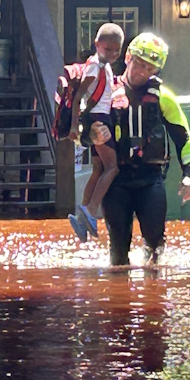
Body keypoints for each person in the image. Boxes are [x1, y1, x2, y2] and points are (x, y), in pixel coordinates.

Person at [85, 32, 190, 266]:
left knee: (155, 244)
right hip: (116, 180)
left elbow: (183, 137)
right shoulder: (106, 93)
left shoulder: (163, 98)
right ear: (128, 58)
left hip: (150, 179)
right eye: (139, 65)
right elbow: (79, 131)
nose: (142, 73)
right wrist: (92, 134)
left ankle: (153, 294)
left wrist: (188, 176)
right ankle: (119, 297)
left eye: (150, 69)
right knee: (118, 249)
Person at [67, 23, 124, 240]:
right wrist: (74, 125)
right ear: (97, 44)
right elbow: (78, 97)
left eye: (116, 50)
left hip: (98, 118)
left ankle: (82, 214)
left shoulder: (103, 65)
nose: (112, 54)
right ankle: (90, 211)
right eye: (108, 49)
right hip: (99, 121)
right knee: (112, 167)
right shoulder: (94, 67)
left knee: (98, 168)